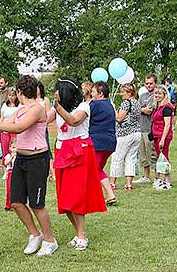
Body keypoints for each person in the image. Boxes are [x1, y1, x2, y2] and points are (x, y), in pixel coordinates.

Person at [0, 75, 58, 257]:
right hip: (21, 159)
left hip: (37, 159)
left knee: (37, 204)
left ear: (19, 92)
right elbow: (4, 126)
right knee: (16, 202)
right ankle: (35, 235)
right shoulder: (20, 110)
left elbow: (19, 128)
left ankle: (50, 240)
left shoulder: (37, 109)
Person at [48, 77, 107, 251]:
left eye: (59, 89)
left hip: (79, 151)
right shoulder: (56, 108)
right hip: (62, 150)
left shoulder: (84, 106)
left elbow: (74, 121)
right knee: (64, 198)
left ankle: (82, 235)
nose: (56, 93)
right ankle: (78, 233)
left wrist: (58, 108)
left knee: (76, 196)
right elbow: (43, 119)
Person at [89, 81, 117, 205]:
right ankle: (108, 195)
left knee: (92, 170)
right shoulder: (110, 105)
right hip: (110, 143)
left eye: (93, 91)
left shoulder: (94, 105)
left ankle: (102, 196)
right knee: (98, 169)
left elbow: (83, 118)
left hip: (97, 142)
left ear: (100, 94)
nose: (91, 94)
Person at [110, 83, 141, 190]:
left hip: (125, 134)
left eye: (123, 91)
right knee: (131, 158)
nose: (121, 94)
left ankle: (112, 183)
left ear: (129, 92)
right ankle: (128, 184)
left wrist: (113, 108)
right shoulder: (137, 103)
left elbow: (119, 118)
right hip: (137, 133)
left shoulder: (126, 103)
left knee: (117, 157)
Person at [133, 74, 157, 185]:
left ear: (155, 83)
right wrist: (141, 109)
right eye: (147, 83)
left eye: (151, 83)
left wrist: (140, 109)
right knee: (142, 154)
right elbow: (136, 110)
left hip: (150, 128)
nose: (149, 85)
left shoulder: (156, 95)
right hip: (140, 128)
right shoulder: (142, 95)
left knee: (152, 153)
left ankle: (157, 176)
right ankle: (146, 176)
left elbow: (149, 111)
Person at [151, 85, 175, 190]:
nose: (157, 95)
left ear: (165, 95)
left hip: (163, 135)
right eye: (156, 93)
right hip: (157, 135)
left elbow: (167, 124)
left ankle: (167, 181)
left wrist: (163, 139)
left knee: (164, 157)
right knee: (160, 157)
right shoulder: (158, 107)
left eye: (160, 93)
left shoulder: (166, 108)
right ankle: (161, 179)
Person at [36, 81, 55, 181]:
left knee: (47, 150)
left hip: (43, 128)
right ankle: (45, 172)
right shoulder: (32, 100)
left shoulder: (45, 100)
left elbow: (48, 114)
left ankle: (52, 172)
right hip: (34, 129)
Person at [0, 88, 19, 178]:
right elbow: (2, 118)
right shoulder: (4, 106)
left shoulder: (19, 106)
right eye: (10, 95)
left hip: (14, 130)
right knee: (5, 149)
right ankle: (5, 170)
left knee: (14, 148)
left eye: (13, 95)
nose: (11, 97)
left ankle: (14, 167)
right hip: (4, 131)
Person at [3, 138, 17, 211]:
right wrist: (12, 157)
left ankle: (17, 204)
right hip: (10, 173)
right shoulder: (8, 156)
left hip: (18, 173)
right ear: (10, 148)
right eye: (13, 147)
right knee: (9, 190)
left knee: (17, 190)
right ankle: (8, 205)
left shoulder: (20, 156)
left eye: (16, 147)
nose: (15, 149)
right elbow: (5, 163)